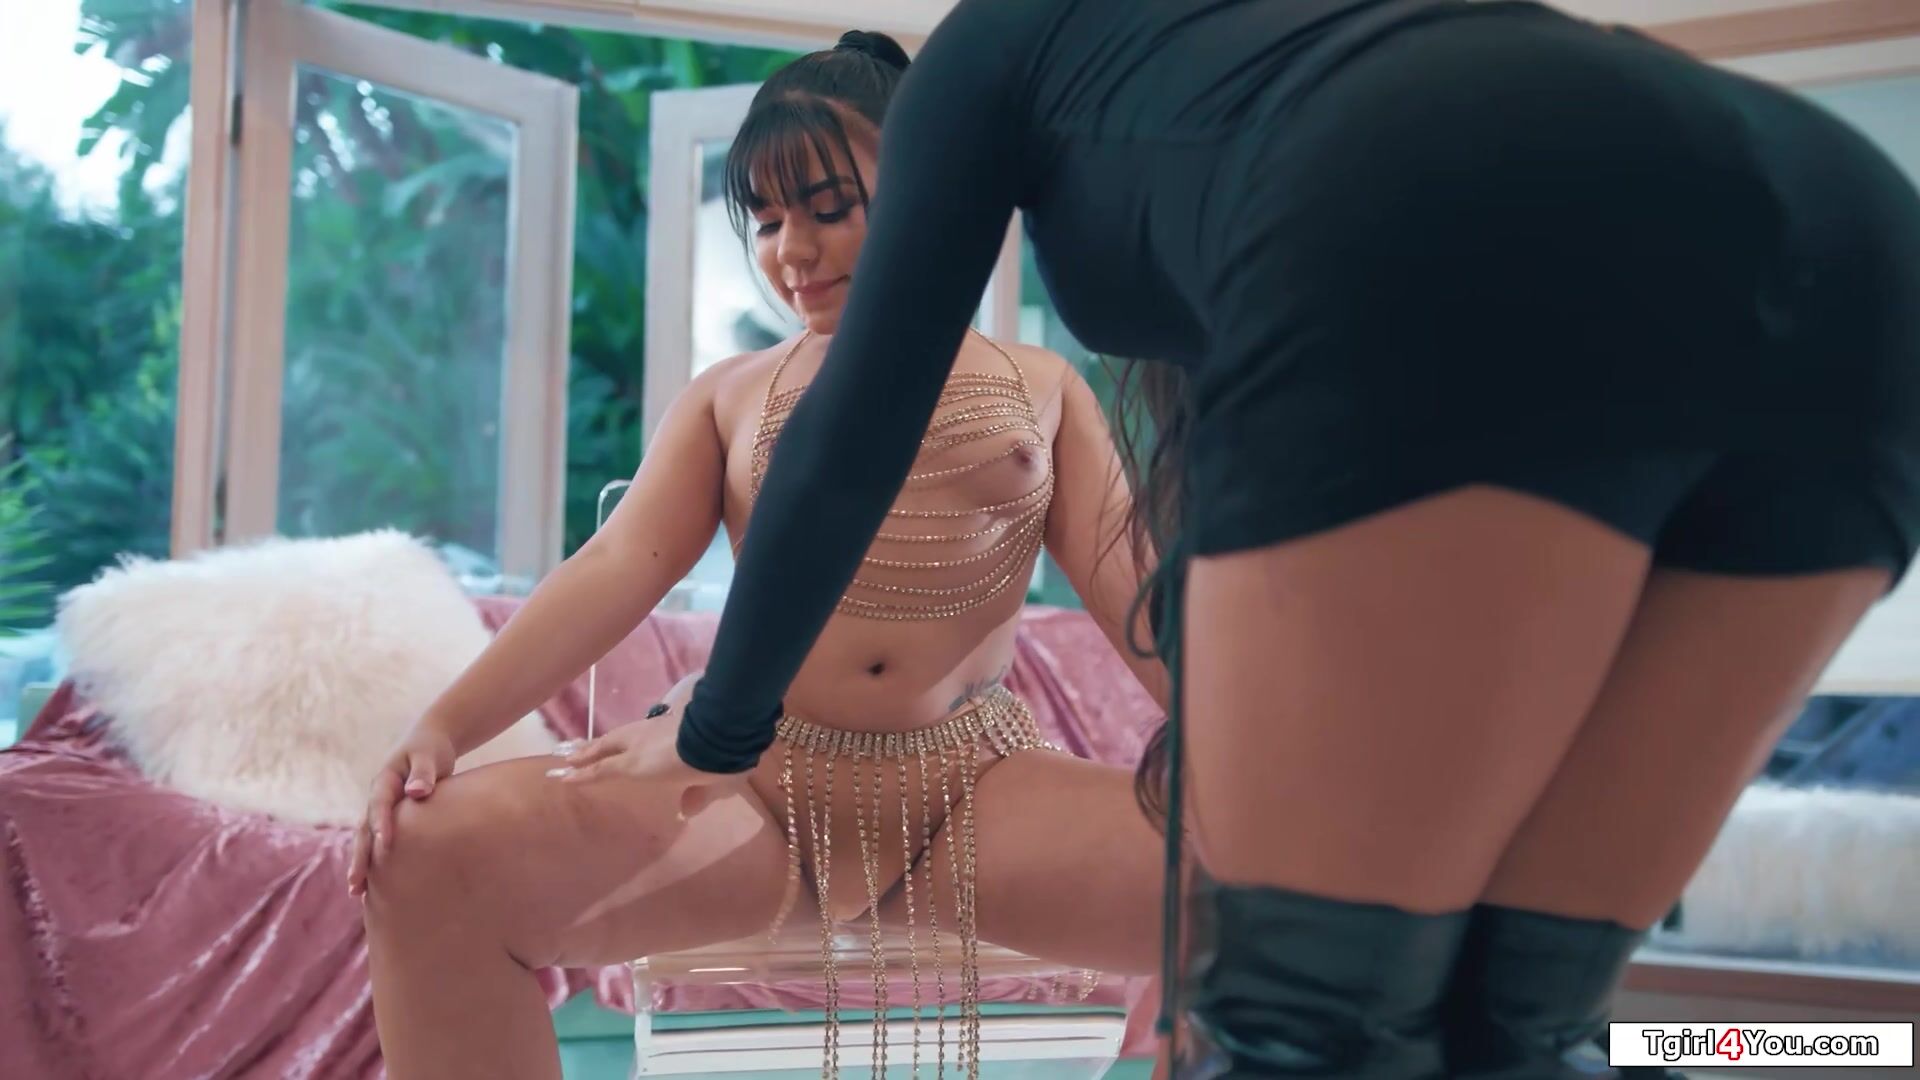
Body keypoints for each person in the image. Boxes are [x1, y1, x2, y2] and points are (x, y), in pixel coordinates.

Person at [606, 1, 1920, 1077]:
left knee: (1313, 1028)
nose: (794, 249)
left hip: (1484, 184)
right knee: (1515, 1025)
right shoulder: (1296, 51)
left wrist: (719, 727)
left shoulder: (1001, 40)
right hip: (1856, 235)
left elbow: (854, 430)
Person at [346, 32, 1168, 1080]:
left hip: (972, 791)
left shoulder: (1043, 386)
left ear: (935, 190)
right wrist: (445, 726)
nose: (792, 252)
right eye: (770, 220)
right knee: (422, 854)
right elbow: (616, 566)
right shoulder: (729, 396)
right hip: (751, 789)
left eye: (830, 208)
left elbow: (1137, 593)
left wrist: (1254, 765)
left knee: (1284, 869)